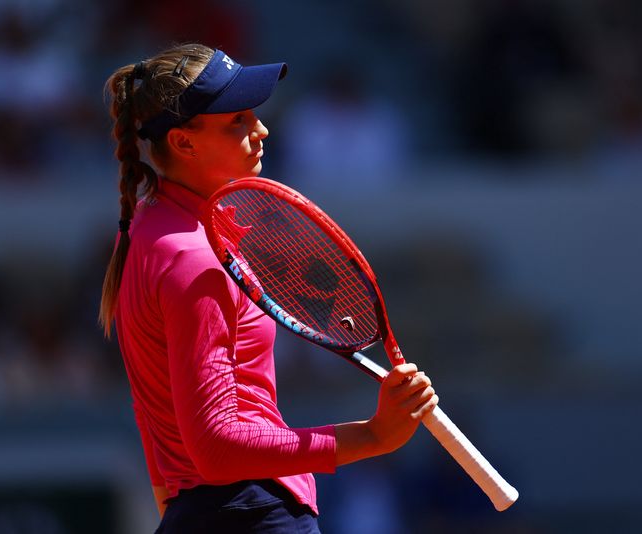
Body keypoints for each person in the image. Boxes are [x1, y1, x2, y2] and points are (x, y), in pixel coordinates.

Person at [98, 43, 438, 533]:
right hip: (254, 514)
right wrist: (374, 436)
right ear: (183, 143)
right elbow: (216, 448)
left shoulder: (148, 233)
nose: (261, 130)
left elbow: (155, 418)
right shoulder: (197, 261)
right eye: (236, 121)